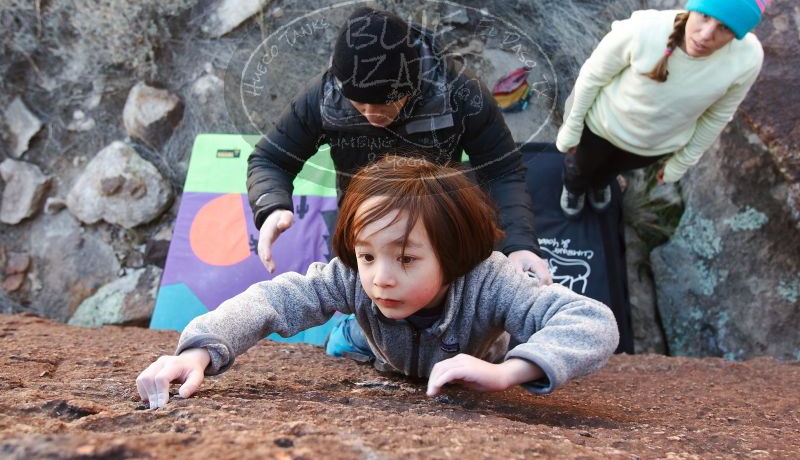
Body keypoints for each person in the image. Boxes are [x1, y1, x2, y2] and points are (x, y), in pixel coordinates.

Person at [136, 156, 618, 409]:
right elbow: (273, 298)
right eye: (366, 255)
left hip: (464, 355)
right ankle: (349, 335)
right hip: (376, 343)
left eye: (407, 258)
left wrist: (507, 373)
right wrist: (197, 351)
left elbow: (591, 320)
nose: (381, 277)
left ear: (453, 257)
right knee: (345, 337)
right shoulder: (357, 279)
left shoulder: (492, 282)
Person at [247, 6, 552, 284]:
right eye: (359, 104)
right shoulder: (323, 97)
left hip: (439, 228)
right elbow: (271, 159)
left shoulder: (459, 92)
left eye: (386, 103)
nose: (371, 115)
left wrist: (519, 244)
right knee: (369, 325)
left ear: (413, 84)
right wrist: (272, 205)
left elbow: (503, 171)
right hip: (366, 235)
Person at [556, 0, 778, 218]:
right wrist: (572, 125)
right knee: (580, 168)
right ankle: (575, 189)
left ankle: (601, 185)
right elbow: (592, 77)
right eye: (705, 16)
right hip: (601, 130)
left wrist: (681, 163)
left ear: (739, 34)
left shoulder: (748, 58)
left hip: (652, 148)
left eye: (726, 28)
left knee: (610, 171)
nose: (706, 34)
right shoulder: (642, 29)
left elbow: (717, 115)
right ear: (694, 6)